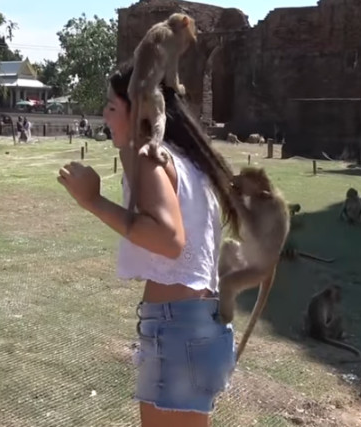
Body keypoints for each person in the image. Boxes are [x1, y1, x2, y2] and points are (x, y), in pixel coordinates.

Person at [56, 59, 240, 427]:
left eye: (111, 107)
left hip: (178, 330)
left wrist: (92, 200)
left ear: (139, 110)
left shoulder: (152, 159)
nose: (104, 116)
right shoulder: (185, 158)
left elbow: (169, 240)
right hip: (199, 324)